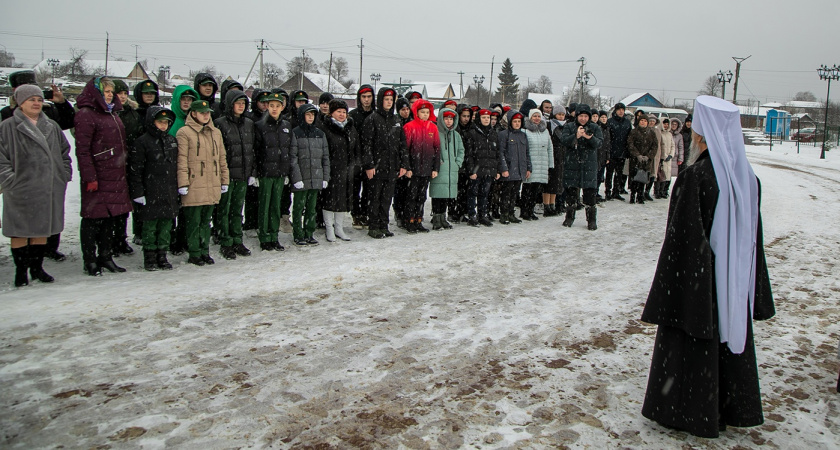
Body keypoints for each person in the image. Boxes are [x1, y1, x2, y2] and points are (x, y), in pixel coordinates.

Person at [641, 95, 775, 438]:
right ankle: (732, 405)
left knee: (693, 350)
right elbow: (753, 241)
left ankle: (691, 412)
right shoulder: (748, 179)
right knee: (728, 344)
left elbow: (682, 242)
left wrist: (678, 292)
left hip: (699, 285)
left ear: (701, 136)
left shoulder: (696, 177)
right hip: (734, 283)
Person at [0, 85, 72, 286]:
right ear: (20, 102)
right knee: (20, 231)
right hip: (20, 189)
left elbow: (65, 152)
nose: (36, 103)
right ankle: (21, 272)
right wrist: (9, 180)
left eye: (39, 100)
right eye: (31, 99)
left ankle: (37, 268)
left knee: (41, 230)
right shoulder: (8, 127)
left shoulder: (51, 126)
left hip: (48, 187)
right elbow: (1, 157)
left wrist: (63, 175)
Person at [75, 77, 134, 276]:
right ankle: (90, 259)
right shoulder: (86, 114)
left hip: (115, 173)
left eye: (111, 91)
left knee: (110, 218)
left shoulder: (113, 114)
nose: (110, 94)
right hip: (98, 175)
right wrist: (90, 176)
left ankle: (106, 256)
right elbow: (83, 150)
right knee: (93, 218)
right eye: (105, 91)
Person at [176, 99, 229, 266]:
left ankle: (204, 250)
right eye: (202, 113)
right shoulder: (184, 133)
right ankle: (194, 251)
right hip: (194, 183)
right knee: (194, 220)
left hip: (211, 182)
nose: (206, 116)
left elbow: (221, 158)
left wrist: (224, 179)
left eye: (207, 113)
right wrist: (183, 183)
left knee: (206, 220)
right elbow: (182, 160)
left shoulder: (215, 132)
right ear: (193, 113)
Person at [127, 107, 179, 271]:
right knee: (150, 226)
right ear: (152, 122)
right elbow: (136, 169)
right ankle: (149, 256)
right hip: (150, 191)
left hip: (168, 190)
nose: (163, 126)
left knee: (165, 225)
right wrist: (138, 192)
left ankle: (162, 254)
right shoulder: (142, 142)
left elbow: (176, 166)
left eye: (166, 122)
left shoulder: (171, 141)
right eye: (160, 122)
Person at [360, 87, 409, 239]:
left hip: (392, 166)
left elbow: (402, 144)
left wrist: (404, 164)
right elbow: (366, 145)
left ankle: (384, 225)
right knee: (375, 198)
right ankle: (374, 226)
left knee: (387, 198)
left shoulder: (396, 120)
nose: (388, 102)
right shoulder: (372, 119)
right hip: (376, 168)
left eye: (391, 100)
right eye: (386, 99)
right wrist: (369, 165)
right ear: (380, 100)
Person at [214, 90, 256, 260]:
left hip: (243, 174)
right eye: (237, 103)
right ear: (230, 104)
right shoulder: (220, 124)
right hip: (227, 175)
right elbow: (218, 152)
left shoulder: (249, 123)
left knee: (237, 210)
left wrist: (252, 172)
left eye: (243, 103)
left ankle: (237, 239)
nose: (241, 106)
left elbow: (252, 150)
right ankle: (226, 241)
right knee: (224, 210)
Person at [253, 92, 292, 251]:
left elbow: (287, 150)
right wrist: (255, 173)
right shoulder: (260, 126)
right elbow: (256, 151)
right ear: (267, 107)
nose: (274, 109)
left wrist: (287, 172)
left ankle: (274, 236)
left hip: (280, 173)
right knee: (265, 205)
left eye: (277, 106)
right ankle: (264, 236)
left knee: (276, 205)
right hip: (265, 173)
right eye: (271, 106)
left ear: (282, 107)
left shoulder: (286, 126)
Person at [289, 104, 330, 246]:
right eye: (308, 114)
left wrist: (325, 177)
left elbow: (325, 157)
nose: (311, 117)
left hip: (316, 177)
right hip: (302, 177)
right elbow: (293, 158)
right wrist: (297, 178)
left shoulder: (320, 133)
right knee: (299, 207)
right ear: (302, 116)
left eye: (313, 114)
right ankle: (298, 233)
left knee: (311, 207)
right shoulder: (295, 133)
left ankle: (309, 232)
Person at [319, 99, 358, 241]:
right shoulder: (325, 127)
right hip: (331, 169)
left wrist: (355, 164)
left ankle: (339, 228)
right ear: (331, 113)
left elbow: (356, 148)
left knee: (342, 200)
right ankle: (329, 228)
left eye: (344, 112)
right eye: (338, 111)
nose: (342, 114)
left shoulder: (350, 128)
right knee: (329, 199)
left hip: (347, 170)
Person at [559, 104, 603, 230]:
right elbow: (564, 141)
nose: (583, 119)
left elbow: (599, 143)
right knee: (571, 194)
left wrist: (590, 138)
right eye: (581, 116)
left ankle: (591, 220)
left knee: (590, 195)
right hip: (572, 164)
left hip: (589, 165)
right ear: (577, 116)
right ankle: (569, 217)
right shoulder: (569, 126)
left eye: (585, 116)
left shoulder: (595, 127)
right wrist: (576, 136)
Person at [402, 99, 441, 233]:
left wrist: (435, 168)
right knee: (411, 196)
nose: (425, 114)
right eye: (422, 112)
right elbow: (405, 149)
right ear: (416, 112)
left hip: (426, 169)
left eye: (427, 112)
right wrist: (407, 167)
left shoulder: (433, 127)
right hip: (413, 169)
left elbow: (437, 149)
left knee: (421, 196)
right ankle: (409, 221)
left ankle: (419, 220)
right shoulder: (410, 127)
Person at [463, 109, 501, 227]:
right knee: (473, 193)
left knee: (484, 194)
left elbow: (497, 153)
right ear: (479, 119)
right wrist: (471, 170)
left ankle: (483, 214)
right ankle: (472, 215)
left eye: (488, 118)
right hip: (476, 170)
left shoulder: (493, 133)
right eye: (484, 118)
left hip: (489, 169)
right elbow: (469, 154)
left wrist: (497, 170)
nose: (486, 120)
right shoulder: (472, 132)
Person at [429, 107, 464, 230]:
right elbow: (431, 149)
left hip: (451, 170)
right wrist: (436, 163)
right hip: (439, 169)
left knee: (445, 196)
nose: (448, 121)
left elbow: (461, 150)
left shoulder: (456, 135)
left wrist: (457, 163)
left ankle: (443, 217)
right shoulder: (435, 132)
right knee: (437, 195)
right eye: (446, 118)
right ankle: (436, 218)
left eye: (451, 119)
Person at [349, 84, 375, 229]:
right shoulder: (353, 115)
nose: (366, 100)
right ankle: (356, 214)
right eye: (363, 97)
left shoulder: (375, 115)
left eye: (369, 97)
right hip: (355, 158)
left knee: (369, 189)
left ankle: (365, 213)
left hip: (370, 157)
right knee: (354, 189)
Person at [497, 110, 530, 225]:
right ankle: (504, 214)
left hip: (520, 170)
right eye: (515, 121)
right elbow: (500, 153)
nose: (517, 123)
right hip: (509, 170)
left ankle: (511, 213)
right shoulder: (504, 134)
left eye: (519, 121)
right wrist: (504, 169)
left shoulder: (523, 135)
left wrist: (528, 168)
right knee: (506, 193)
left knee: (515, 193)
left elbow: (527, 153)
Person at [522, 109, 552, 220]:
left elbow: (550, 148)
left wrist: (550, 164)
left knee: (535, 190)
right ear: (530, 117)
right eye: (534, 116)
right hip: (531, 164)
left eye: (538, 116)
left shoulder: (545, 131)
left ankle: (531, 210)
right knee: (527, 189)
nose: (536, 118)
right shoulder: (525, 131)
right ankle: (525, 211)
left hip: (542, 164)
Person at [626, 114, 658, 204]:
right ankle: (632, 196)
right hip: (635, 159)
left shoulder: (651, 133)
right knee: (634, 178)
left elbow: (655, 146)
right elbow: (630, 144)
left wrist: (648, 156)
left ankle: (640, 196)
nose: (643, 122)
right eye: (641, 121)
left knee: (643, 179)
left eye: (645, 121)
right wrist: (637, 155)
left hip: (646, 160)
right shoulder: (633, 132)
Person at [453, 104, 475, 223]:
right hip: (457, 163)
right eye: (463, 116)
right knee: (455, 191)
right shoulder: (455, 129)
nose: (466, 118)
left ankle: (461, 211)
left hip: (468, 164)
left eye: (468, 116)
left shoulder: (472, 129)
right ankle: (452, 212)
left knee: (464, 191)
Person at [606, 102, 632, 201]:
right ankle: (608, 191)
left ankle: (616, 191)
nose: (621, 111)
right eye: (619, 109)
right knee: (609, 173)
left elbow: (629, 137)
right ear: (615, 111)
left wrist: (628, 150)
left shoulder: (627, 122)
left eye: (622, 109)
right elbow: (608, 138)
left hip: (622, 152)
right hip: (612, 152)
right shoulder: (610, 122)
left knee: (619, 173)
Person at [655, 118, 675, 199]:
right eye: (664, 124)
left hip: (668, 158)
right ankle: (657, 192)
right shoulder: (659, 133)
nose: (666, 126)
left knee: (666, 176)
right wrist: (661, 156)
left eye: (667, 124)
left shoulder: (669, 134)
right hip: (660, 158)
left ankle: (664, 191)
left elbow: (673, 145)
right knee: (659, 175)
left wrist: (671, 155)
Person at [595, 110, 612, 203]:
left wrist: (608, 156)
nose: (604, 119)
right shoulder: (598, 128)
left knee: (601, 175)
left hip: (604, 156)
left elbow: (608, 143)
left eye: (605, 117)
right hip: (597, 155)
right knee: (596, 175)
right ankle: (593, 193)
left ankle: (596, 192)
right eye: (602, 117)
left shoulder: (607, 129)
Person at [665, 118, 684, 196]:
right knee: (664, 174)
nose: (673, 126)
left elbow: (681, 147)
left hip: (674, 158)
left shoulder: (679, 136)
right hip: (666, 156)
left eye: (675, 124)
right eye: (672, 124)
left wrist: (680, 158)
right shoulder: (667, 133)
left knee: (670, 176)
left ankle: (666, 189)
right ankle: (660, 190)